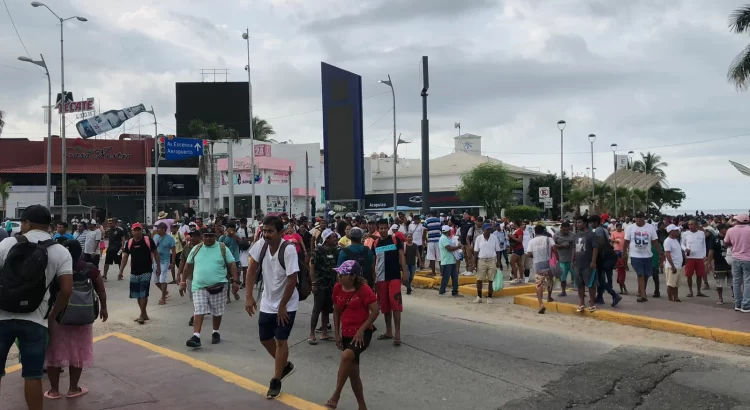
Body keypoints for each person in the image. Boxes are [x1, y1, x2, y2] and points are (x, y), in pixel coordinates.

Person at [0, 205, 73, 410]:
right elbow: (67, 290)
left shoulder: (6, 243)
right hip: (36, 320)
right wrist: (52, 315)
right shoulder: (60, 251)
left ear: (27, 223)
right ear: (49, 225)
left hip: (2, 317)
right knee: (32, 375)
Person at [44, 239, 108, 400]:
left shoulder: (56, 266)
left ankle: (54, 390)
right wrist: (104, 308)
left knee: (53, 351)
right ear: (79, 252)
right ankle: (73, 389)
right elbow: (100, 289)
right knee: (78, 351)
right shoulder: (89, 268)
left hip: (56, 315)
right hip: (82, 315)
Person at [246, 216, 300, 399]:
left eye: (270, 231)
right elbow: (251, 270)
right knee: (264, 338)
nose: (266, 235)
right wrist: (249, 297)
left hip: (287, 302)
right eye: (264, 231)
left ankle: (276, 380)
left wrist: (283, 305)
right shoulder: (261, 245)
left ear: (280, 232)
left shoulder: (289, 250)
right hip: (268, 302)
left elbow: (293, 279)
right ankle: (284, 364)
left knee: (280, 341)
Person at [325, 260, 379, 410]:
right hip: (346, 334)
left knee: (346, 356)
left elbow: (375, 310)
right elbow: (336, 311)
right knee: (353, 372)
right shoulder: (337, 288)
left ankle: (336, 395)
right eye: (338, 273)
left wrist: (362, 329)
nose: (339, 277)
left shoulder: (363, 289)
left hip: (362, 334)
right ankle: (362, 406)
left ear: (353, 276)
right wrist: (336, 334)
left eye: (343, 274)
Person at [181, 227, 238, 347]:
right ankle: (196, 336)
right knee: (199, 309)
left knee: (217, 312)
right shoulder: (196, 249)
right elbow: (187, 266)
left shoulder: (222, 248)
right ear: (202, 237)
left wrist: (235, 281)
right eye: (206, 236)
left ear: (215, 236)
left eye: (211, 236)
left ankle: (215, 332)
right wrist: (182, 282)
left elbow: (232, 264)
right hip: (199, 286)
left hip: (219, 286)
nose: (208, 238)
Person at [372, 219, 407, 346]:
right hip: (380, 279)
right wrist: (373, 279)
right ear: (378, 229)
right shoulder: (375, 243)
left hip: (394, 277)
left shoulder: (395, 240)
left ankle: (397, 333)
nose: (382, 230)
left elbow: (402, 256)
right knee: (385, 307)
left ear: (388, 228)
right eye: (380, 228)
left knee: (396, 305)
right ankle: (388, 331)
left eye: (384, 228)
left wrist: (405, 272)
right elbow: (374, 262)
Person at [119, 223, 160, 324]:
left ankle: (141, 314)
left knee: (143, 293)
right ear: (132, 231)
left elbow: (155, 253)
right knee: (137, 294)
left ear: (141, 230)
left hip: (146, 270)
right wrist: (121, 271)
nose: (137, 232)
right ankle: (144, 313)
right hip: (134, 271)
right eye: (135, 230)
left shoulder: (148, 240)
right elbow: (125, 257)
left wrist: (158, 267)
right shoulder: (129, 242)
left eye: (139, 230)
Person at [623, 212, 663, 303]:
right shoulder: (630, 228)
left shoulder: (650, 228)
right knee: (640, 274)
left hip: (648, 255)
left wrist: (660, 252)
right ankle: (643, 294)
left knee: (646, 274)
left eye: (641, 217)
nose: (639, 219)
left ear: (644, 218)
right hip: (635, 255)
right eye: (637, 217)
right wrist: (624, 253)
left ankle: (641, 291)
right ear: (635, 218)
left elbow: (654, 241)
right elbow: (626, 242)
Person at [309, 229, 339, 345]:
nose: (335, 239)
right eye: (333, 237)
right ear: (326, 239)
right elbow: (312, 268)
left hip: (331, 284)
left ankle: (324, 333)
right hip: (320, 284)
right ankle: (312, 334)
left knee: (327, 309)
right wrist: (313, 283)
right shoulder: (318, 251)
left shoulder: (335, 251)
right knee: (317, 308)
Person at [526, 224, 559, 313]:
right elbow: (555, 249)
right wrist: (557, 259)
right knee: (550, 281)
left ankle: (541, 304)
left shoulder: (532, 241)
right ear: (544, 231)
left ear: (535, 232)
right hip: (548, 264)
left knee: (539, 285)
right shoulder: (549, 239)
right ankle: (549, 297)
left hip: (538, 265)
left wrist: (534, 256)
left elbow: (528, 254)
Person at [724, 213, 750, 312]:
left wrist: (734, 243)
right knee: (748, 282)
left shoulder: (731, 230)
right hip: (748, 258)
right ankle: (746, 305)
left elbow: (726, 243)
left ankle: (737, 304)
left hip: (735, 257)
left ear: (738, 220)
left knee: (736, 281)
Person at [573, 216, 599, 312]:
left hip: (588, 264)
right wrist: (573, 260)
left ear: (585, 223)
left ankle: (592, 303)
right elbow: (574, 248)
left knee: (591, 284)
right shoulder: (576, 235)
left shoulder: (592, 235)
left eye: (579, 222)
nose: (577, 224)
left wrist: (593, 261)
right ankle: (581, 303)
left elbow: (595, 248)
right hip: (577, 264)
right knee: (580, 284)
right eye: (577, 222)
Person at [178, 229, 202, 327]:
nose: (192, 238)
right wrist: (178, 274)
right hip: (190, 277)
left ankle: (195, 316)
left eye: (194, 236)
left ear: (199, 237)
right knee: (194, 299)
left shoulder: (204, 247)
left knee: (200, 298)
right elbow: (183, 261)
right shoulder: (187, 248)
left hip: (202, 277)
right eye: (191, 236)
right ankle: (200, 311)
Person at [473, 223, 501, 303]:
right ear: (483, 230)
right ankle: (479, 296)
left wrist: (498, 261)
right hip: (481, 260)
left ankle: (489, 297)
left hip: (492, 260)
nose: (488, 231)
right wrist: (475, 264)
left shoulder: (494, 238)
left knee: (491, 279)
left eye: (489, 229)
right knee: (479, 279)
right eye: (487, 230)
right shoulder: (479, 238)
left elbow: (498, 250)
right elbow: (475, 252)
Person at [681, 219, 709, 298]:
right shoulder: (685, 234)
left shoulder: (701, 233)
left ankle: (699, 291)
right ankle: (690, 291)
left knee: (699, 275)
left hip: (699, 257)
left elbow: (704, 245)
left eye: (692, 224)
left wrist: (704, 255)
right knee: (689, 275)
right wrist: (685, 249)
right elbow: (682, 244)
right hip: (690, 257)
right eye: (689, 224)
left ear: (696, 225)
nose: (690, 226)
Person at [153, 223, 176, 305]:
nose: (157, 230)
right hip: (155, 261)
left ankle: (163, 298)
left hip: (165, 261)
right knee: (156, 280)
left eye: (158, 228)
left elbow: (173, 251)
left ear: (163, 229)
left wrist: (172, 262)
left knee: (163, 279)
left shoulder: (170, 238)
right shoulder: (155, 237)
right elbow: (152, 249)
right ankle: (165, 292)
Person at [219, 225, 242, 302]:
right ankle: (227, 296)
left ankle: (234, 292)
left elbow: (240, 241)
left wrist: (234, 235)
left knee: (236, 279)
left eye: (232, 230)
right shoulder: (223, 237)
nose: (230, 232)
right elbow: (219, 247)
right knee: (227, 279)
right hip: (226, 260)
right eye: (229, 230)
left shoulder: (237, 235)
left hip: (236, 260)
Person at [553, 222, 575, 297]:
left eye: (567, 230)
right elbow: (553, 245)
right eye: (564, 230)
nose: (566, 231)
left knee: (577, 276)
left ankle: (581, 291)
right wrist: (562, 246)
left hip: (572, 259)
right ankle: (563, 291)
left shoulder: (573, 235)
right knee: (562, 277)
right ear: (561, 228)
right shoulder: (556, 235)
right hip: (562, 259)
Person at [663, 224, 684, 302]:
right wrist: (672, 266)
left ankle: (676, 297)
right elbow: (667, 254)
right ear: (671, 232)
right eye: (676, 230)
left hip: (678, 265)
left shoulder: (675, 240)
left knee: (676, 284)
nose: (678, 232)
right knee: (671, 284)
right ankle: (670, 299)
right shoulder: (668, 241)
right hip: (672, 266)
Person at [438, 225, 461, 296]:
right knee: (446, 278)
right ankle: (442, 291)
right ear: (448, 231)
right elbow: (449, 248)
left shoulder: (447, 238)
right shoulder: (443, 239)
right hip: (446, 262)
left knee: (455, 277)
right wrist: (458, 247)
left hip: (451, 261)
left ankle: (455, 291)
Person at [424, 211, 442, 277]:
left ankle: (433, 272)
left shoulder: (427, 221)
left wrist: (424, 241)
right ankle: (442, 272)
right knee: (440, 257)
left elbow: (424, 231)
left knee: (432, 257)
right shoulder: (439, 220)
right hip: (438, 240)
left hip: (430, 241)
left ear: (430, 214)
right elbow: (441, 230)